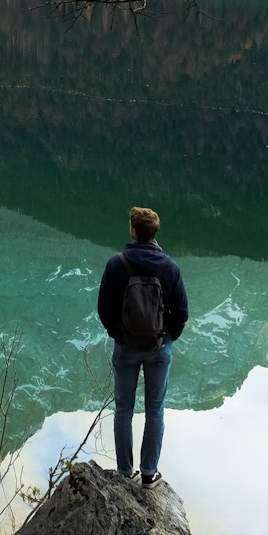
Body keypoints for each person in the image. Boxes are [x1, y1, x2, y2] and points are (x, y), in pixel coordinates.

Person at [96, 205, 188, 486]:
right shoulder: (170, 268)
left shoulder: (116, 264)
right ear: (154, 233)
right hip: (159, 347)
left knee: (123, 409)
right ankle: (149, 474)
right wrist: (165, 337)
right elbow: (181, 313)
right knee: (155, 410)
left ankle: (125, 472)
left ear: (133, 231)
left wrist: (119, 335)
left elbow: (104, 309)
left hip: (126, 348)